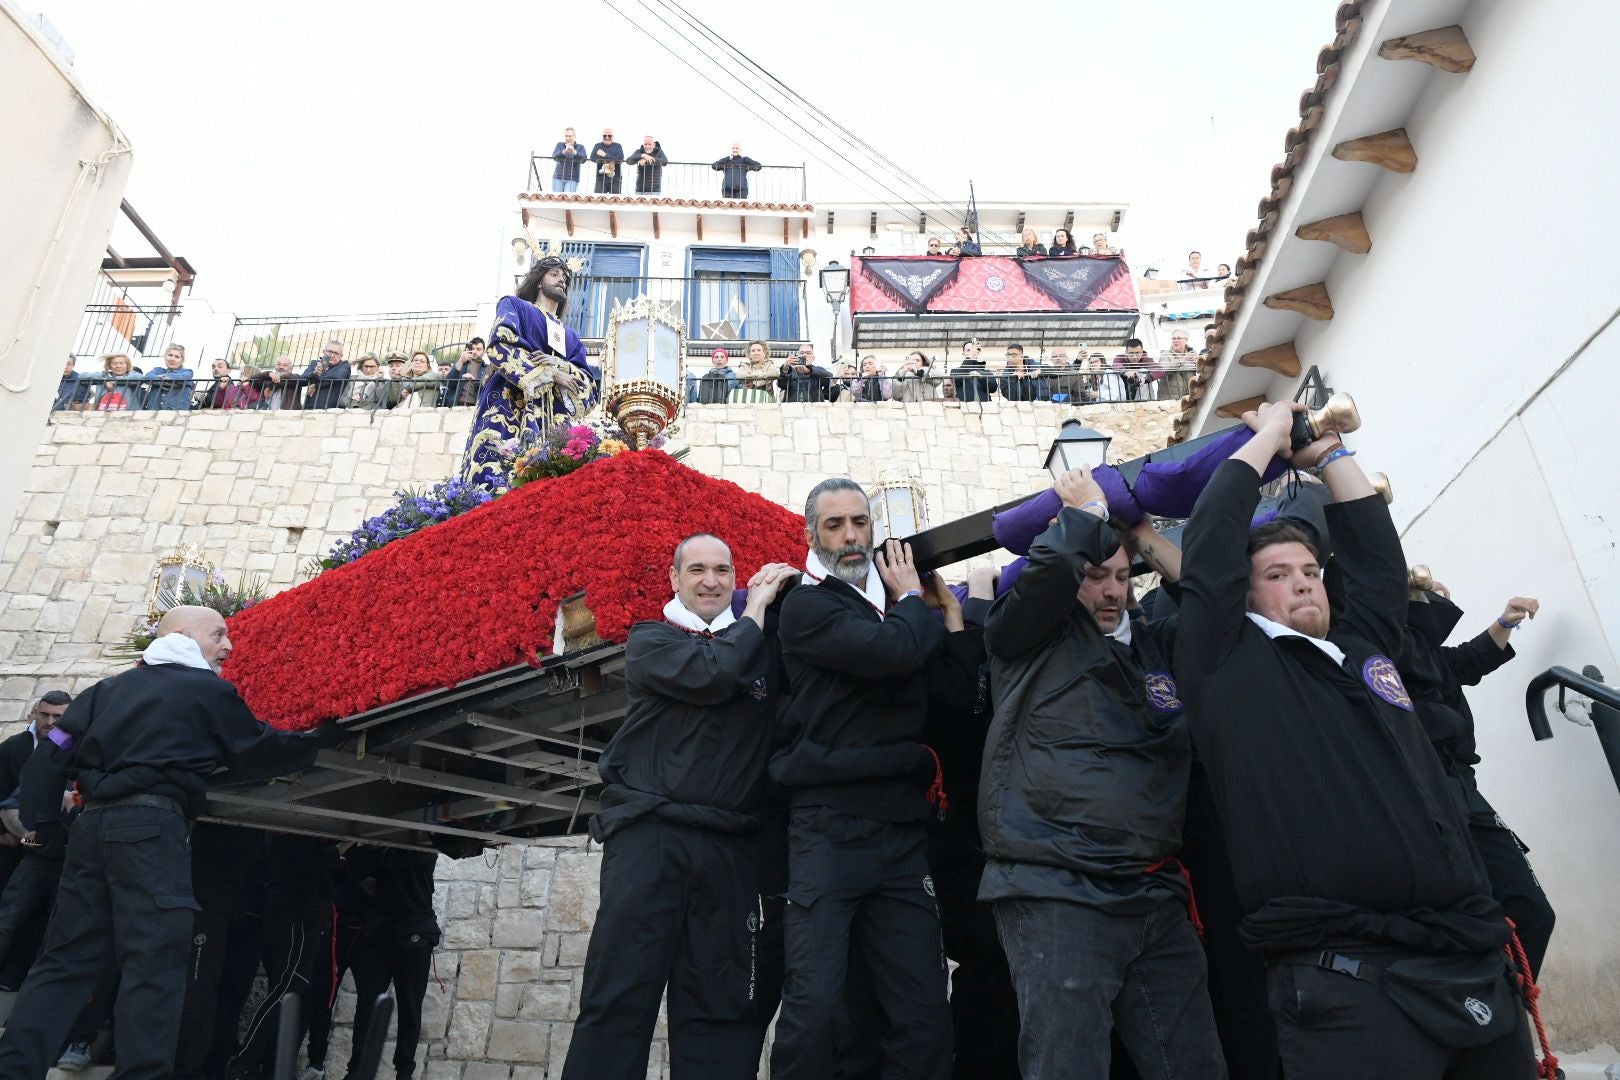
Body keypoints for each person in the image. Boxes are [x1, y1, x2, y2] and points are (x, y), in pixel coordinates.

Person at [1172, 402, 1536, 1079]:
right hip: (1347, 979)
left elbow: (1374, 553)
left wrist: (1331, 456)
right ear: (1244, 598)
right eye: (1276, 575)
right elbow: (1213, 536)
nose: (1302, 580)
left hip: (1466, 956)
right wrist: (1271, 437)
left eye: (1308, 569)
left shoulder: (1365, 649)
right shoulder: (1225, 664)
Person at [0, 606, 340, 1080]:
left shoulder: (102, 693)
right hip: (152, 830)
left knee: (65, 961)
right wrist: (318, 739)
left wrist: (46, 824)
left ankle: (14, 1068)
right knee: (155, 963)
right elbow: (255, 750)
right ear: (182, 637)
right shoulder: (207, 691)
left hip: (91, 830)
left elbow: (50, 754)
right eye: (219, 634)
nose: (229, 646)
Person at [982, 467, 1225, 1078]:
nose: (1111, 591)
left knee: (1192, 1063)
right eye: (1095, 577)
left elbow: (1216, 608)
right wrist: (1086, 517)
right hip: (1055, 883)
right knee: (1068, 1063)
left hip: (1152, 888)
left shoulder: (1158, 646)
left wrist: (1141, 535)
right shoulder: (1030, 641)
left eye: (1123, 577)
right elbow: (1040, 584)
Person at [562, 536, 798, 1079]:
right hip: (650, 838)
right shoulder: (652, 640)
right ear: (674, 579)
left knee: (721, 1008)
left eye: (723, 570)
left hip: (731, 848)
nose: (711, 580)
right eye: (697, 570)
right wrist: (756, 606)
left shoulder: (762, 650)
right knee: (618, 997)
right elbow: (713, 674)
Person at [768, 480, 953, 1078]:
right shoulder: (805, 606)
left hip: (900, 834)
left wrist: (937, 617)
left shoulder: (883, 607)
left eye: (859, 523)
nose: (850, 536)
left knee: (923, 1012)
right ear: (811, 536)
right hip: (828, 831)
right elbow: (891, 654)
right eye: (834, 526)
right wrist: (910, 605)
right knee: (815, 1006)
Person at [1400, 580, 1557, 975]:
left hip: (1464, 791)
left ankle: (1513, 1007)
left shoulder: (1436, 659)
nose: (1438, 595)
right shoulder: (1376, 659)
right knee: (1473, 918)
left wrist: (1506, 620)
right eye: (1427, 595)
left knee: (1531, 910)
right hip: (1420, 799)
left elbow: (1473, 658)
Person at [462, 257, 599, 491]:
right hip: (510, 405)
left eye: (564, 278)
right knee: (496, 481)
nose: (562, 281)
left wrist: (558, 365)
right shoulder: (514, 306)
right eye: (554, 275)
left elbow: (588, 388)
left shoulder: (571, 336)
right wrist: (550, 374)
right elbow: (501, 344)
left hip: (554, 421)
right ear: (538, 281)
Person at [340, 846, 441, 1080]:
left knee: (409, 1005)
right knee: (369, 1005)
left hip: (412, 931)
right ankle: (358, 1070)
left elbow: (368, 861)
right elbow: (356, 864)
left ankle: (402, 1072)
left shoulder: (423, 840)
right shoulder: (380, 842)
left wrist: (377, 857)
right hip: (382, 932)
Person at [142, 344, 195, 411]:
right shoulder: (158, 370)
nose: (172, 359)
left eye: (177, 357)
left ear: (182, 360)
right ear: (165, 357)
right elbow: (147, 377)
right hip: (154, 411)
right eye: (170, 355)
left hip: (175, 413)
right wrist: (171, 381)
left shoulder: (188, 372)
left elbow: (182, 377)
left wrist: (158, 379)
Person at [300, 339, 351, 410]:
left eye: (336, 353)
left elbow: (336, 377)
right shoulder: (314, 363)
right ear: (324, 352)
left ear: (341, 356)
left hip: (330, 409)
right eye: (330, 351)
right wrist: (314, 373)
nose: (332, 355)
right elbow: (302, 380)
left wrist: (315, 384)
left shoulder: (344, 365)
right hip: (309, 407)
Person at [453, 337, 488, 405]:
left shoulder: (487, 368)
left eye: (478, 349)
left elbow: (487, 389)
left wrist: (475, 381)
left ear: (484, 352)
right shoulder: (461, 364)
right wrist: (461, 360)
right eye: (472, 349)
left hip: (475, 407)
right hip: (456, 406)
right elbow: (449, 383)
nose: (474, 351)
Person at [551, 127, 586, 192]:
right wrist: (564, 151)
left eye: (570, 136)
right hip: (558, 178)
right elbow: (554, 156)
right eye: (566, 136)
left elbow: (584, 159)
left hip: (572, 179)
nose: (568, 138)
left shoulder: (580, 147)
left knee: (568, 200)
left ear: (574, 136)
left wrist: (574, 152)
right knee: (557, 200)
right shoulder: (559, 145)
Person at [591, 128, 625, 194]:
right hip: (601, 178)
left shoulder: (618, 146)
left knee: (615, 201)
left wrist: (605, 155)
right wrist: (612, 159)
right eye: (604, 136)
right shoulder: (597, 145)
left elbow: (620, 159)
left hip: (615, 178)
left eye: (609, 136)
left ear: (613, 136)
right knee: (599, 200)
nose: (607, 138)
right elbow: (592, 158)